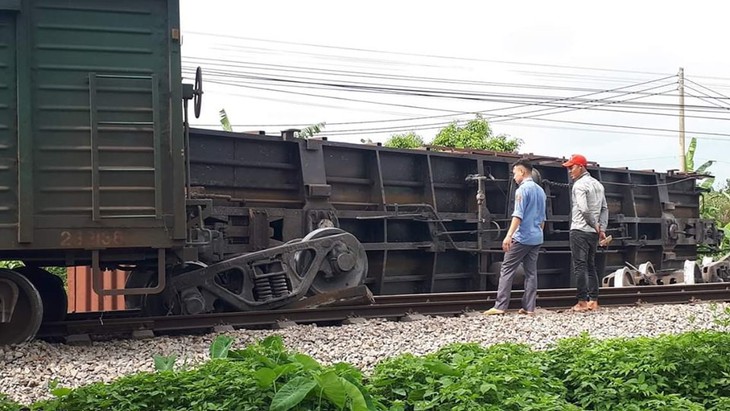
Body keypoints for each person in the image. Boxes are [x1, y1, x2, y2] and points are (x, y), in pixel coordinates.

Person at [484, 160, 546, 316]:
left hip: (522, 237)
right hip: (537, 237)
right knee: (531, 273)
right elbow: (543, 218)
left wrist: (509, 235)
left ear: (522, 172)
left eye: (515, 173)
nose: (514, 177)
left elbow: (518, 215)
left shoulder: (522, 191)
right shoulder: (540, 191)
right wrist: (538, 233)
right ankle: (529, 307)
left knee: (507, 269)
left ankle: (500, 306)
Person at [562, 154, 608, 312]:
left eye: (571, 167)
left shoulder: (579, 185)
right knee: (591, 266)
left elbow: (583, 209)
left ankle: (581, 302)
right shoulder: (598, 185)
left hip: (580, 230)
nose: (569, 171)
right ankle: (593, 301)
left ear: (581, 167)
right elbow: (604, 209)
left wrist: (594, 225)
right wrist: (601, 228)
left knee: (580, 266)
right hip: (593, 233)